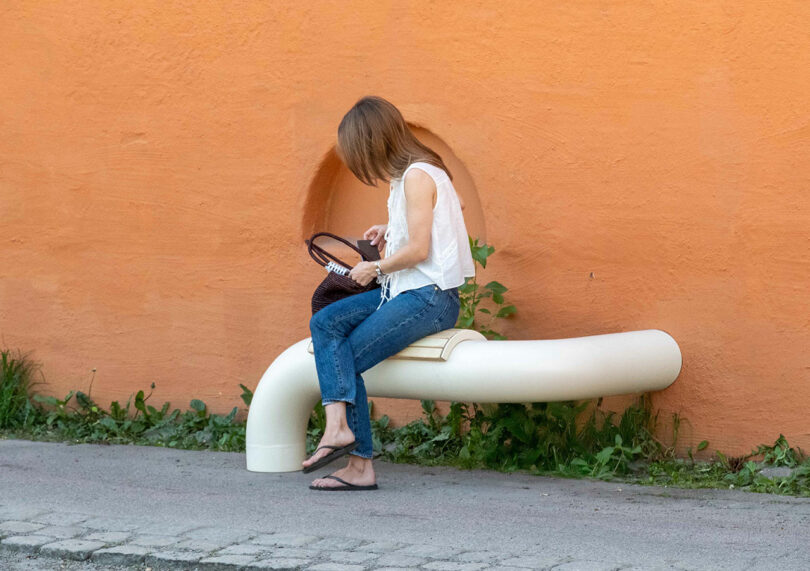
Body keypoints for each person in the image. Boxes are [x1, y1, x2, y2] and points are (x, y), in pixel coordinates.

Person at [304, 95, 475, 491]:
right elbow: (455, 203)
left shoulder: (416, 175)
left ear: (372, 143)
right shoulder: (415, 173)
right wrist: (391, 227)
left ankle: (355, 459)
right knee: (325, 321)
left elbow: (420, 251)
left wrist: (376, 266)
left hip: (429, 298)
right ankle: (339, 432)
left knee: (345, 356)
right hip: (407, 292)